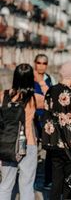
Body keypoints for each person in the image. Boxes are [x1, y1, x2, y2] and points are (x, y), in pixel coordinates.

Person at [41, 61, 71, 200]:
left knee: (56, 182)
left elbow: (48, 113)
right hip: (70, 148)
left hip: (54, 144)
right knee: (70, 185)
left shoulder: (50, 91)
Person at [0, 64, 44, 200]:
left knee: (6, 185)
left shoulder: (3, 95)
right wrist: (40, 81)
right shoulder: (34, 98)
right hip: (28, 143)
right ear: (31, 78)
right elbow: (53, 98)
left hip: (7, 143)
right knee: (26, 185)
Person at [33, 54, 55, 189]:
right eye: (39, 62)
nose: (41, 65)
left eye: (44, 63)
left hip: (47, 120)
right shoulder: (29, 78)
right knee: (32, 152)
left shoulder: (50, 79)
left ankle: (48, 180)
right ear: (35, 63)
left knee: (50, 150)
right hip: (32, 120)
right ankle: (32, 181)